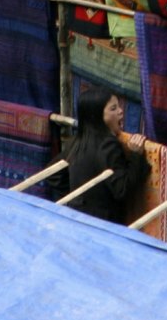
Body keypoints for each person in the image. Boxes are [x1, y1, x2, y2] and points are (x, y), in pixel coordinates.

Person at [62, 86, 149, 224]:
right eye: (113, 109)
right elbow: (122, 189)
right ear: (97, 116)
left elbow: (55, 176)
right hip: (103, 224)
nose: (121, 111)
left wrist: (80, 200)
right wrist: (136, 156)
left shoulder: (76, 142)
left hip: (77, 218)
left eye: (119, 106)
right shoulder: (108, 146)